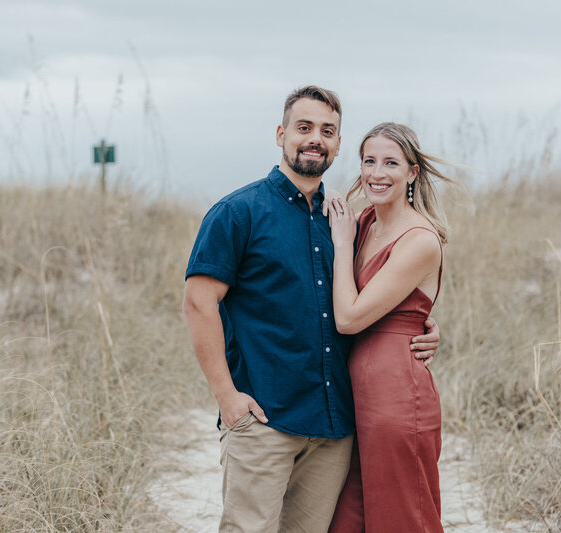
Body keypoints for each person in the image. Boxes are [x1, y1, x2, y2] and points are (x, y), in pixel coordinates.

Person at [182, 87, 440, 533]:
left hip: (333, 424)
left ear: (338, 145)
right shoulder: (237, 212)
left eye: (327, 131)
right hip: (264, 416)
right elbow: (198, 303)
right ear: (281, 133)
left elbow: (382, 295)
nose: (314, 139)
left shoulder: (343, 219)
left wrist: (422, 327)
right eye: (304, 128)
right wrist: (227, 398)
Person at [326, 122, 454, 532]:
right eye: (369, 161)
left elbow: (349, 318)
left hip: (396, 396)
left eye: (390, 163)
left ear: (412, 172)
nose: (376, 173)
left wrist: (342, 245)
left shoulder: (419, 239)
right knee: (349, 517)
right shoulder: (362, 221)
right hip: (352, 391)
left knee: (401, 515)